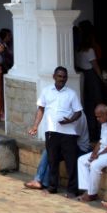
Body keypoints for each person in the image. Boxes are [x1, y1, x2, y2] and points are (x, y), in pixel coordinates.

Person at [29, 66, 83, 197]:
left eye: (64, 77)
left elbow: (78, 112)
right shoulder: (46, 91)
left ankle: (72, 190)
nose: (62, 79)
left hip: (68, 133)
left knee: (71, 162)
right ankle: (52, 187)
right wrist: (35, 126)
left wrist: (69, 121)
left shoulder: (71, 94)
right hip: (51, 131)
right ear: (54, 77)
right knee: (52, 161)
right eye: (59, 76)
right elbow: (41, 109)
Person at [25, 109, 91, 191]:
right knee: (50, 150)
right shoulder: (64, 113)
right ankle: (41, 181)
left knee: (52, 151)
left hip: (79, 147)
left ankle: (41, 181)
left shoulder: (78, 116)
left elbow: (71, 140)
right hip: (68, 144)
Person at [75, 21, 106, 140]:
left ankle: (91, 130)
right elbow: (95, 66)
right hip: (91, 76)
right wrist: (102, 78)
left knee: (88, 103)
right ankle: (98, 130)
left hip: (84, 76)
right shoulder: (90, 50)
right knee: (98, 102)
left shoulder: (79, 49)